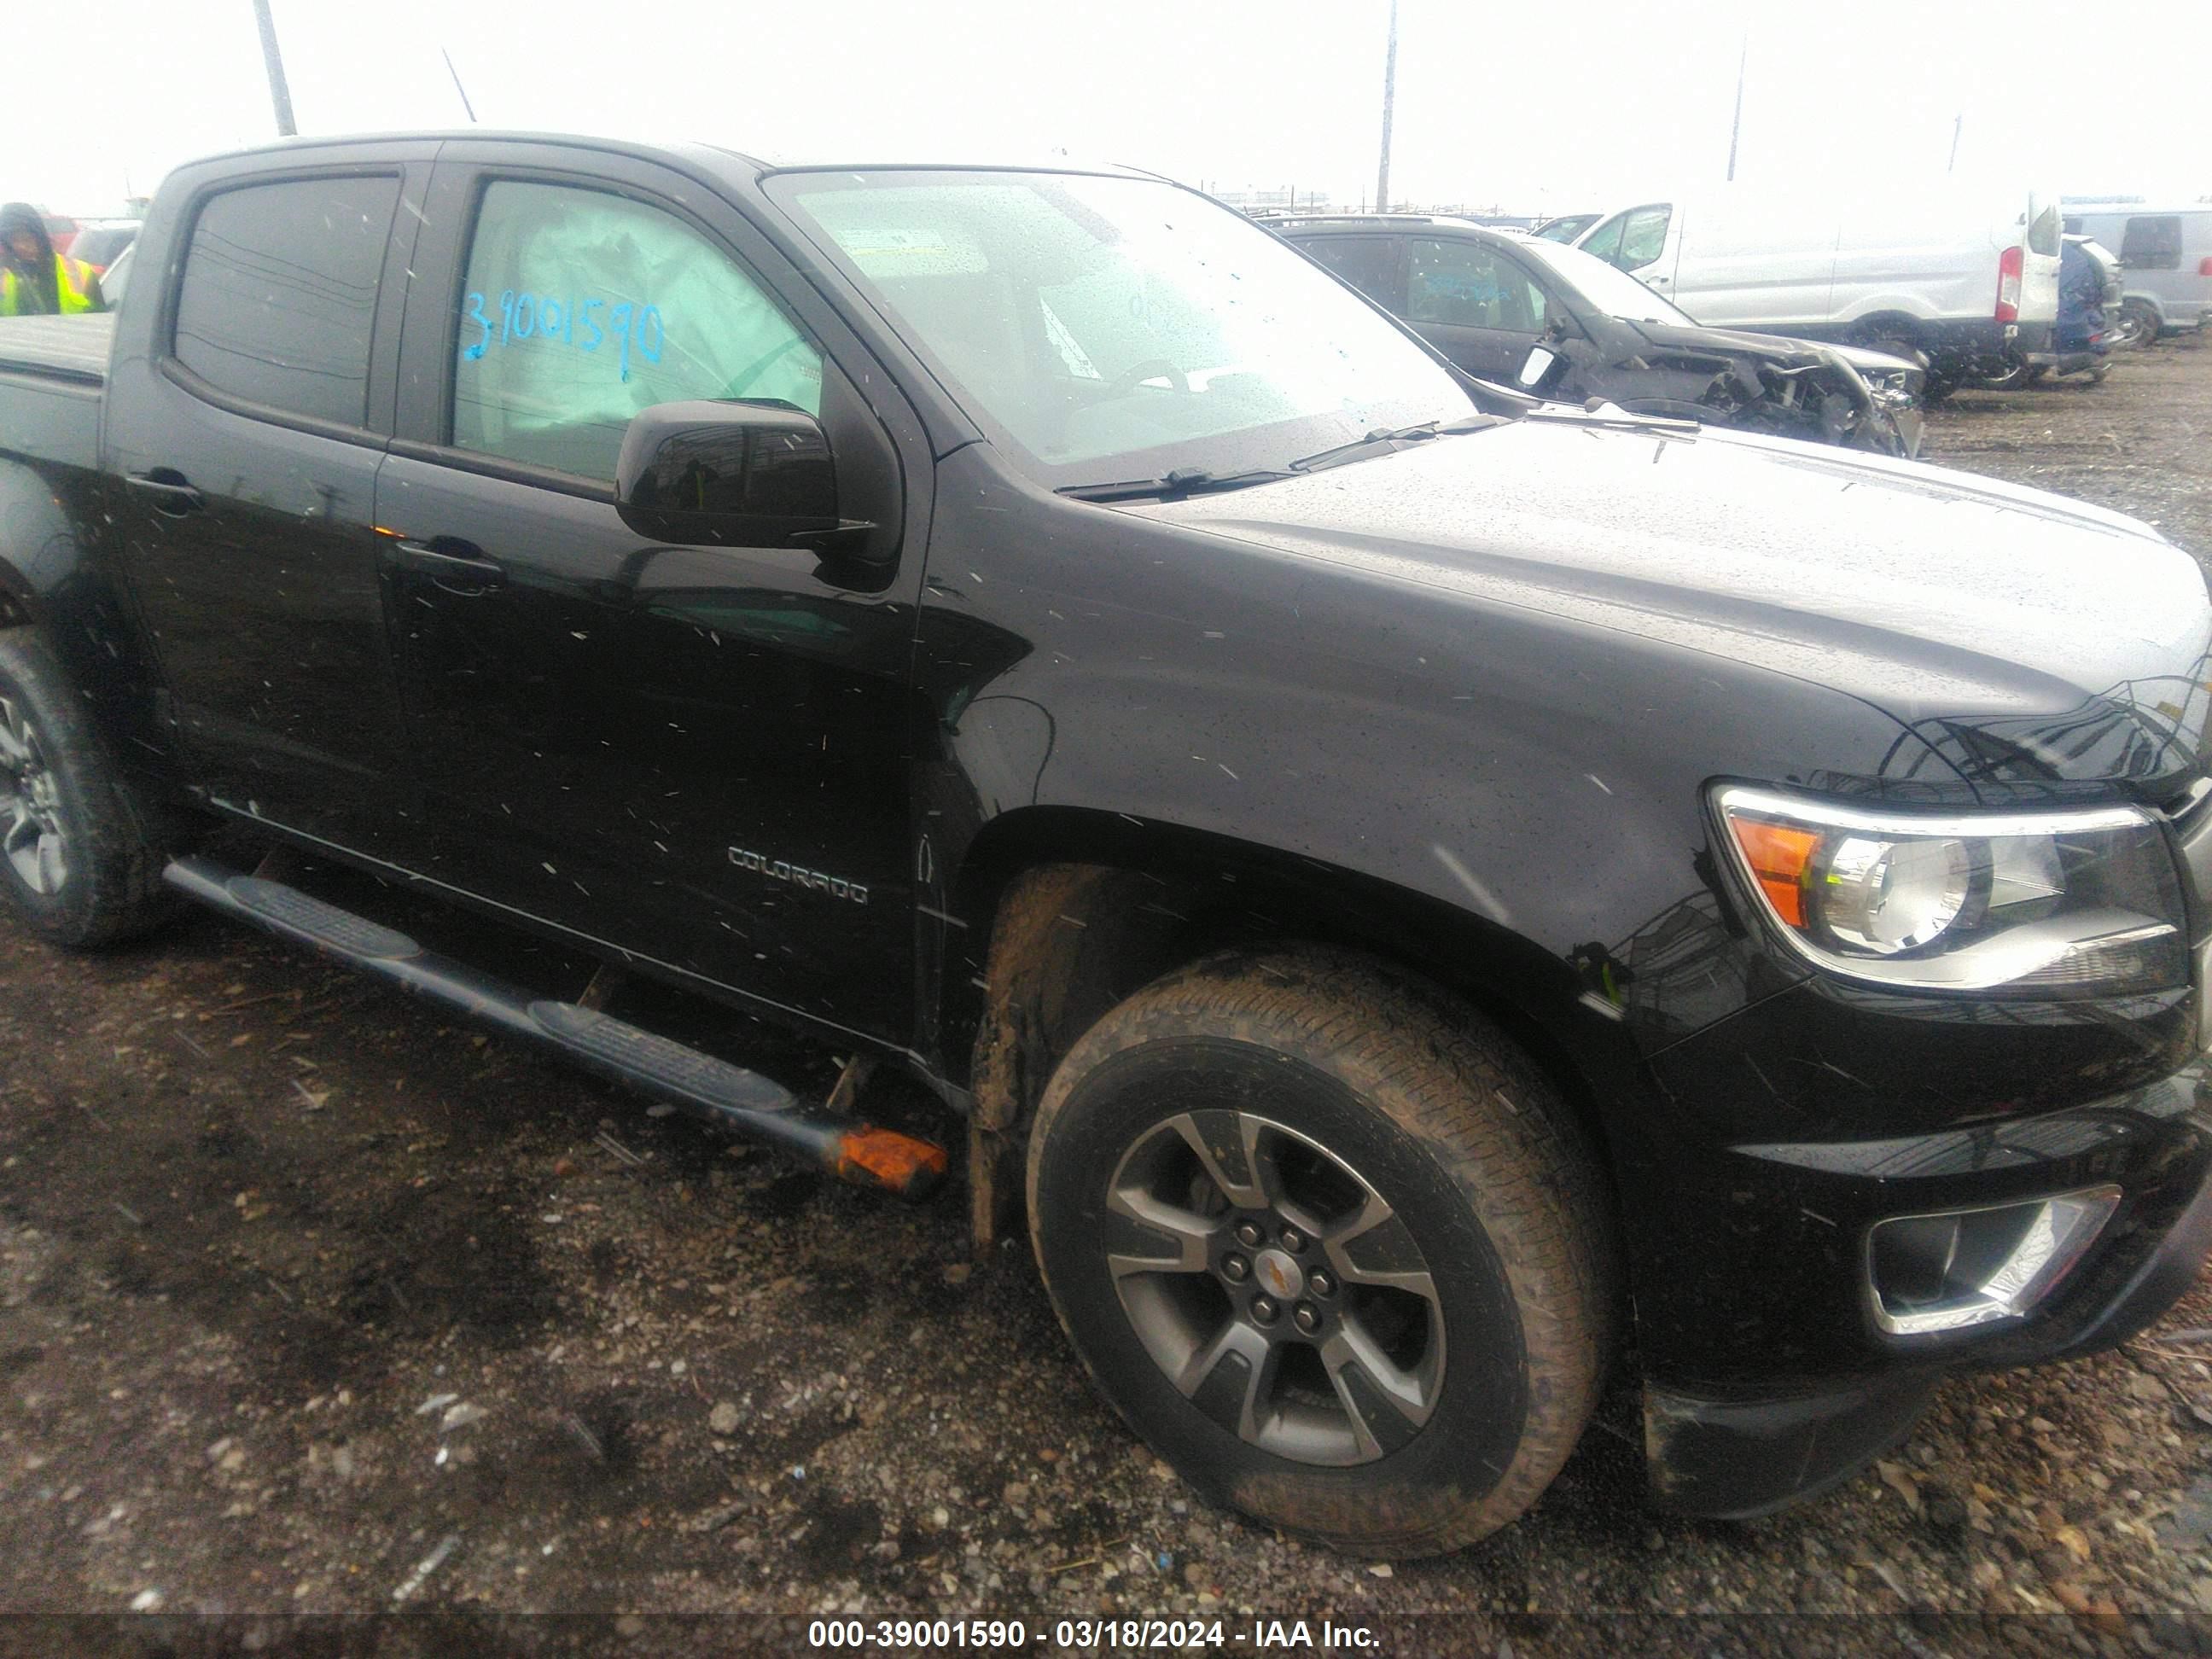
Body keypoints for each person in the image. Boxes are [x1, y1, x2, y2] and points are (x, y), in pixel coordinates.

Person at [0, 202, 105, 317]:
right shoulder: (3, 274)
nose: (21, 246)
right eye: (14, 240)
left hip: (71, 334)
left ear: (40, 236)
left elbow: (102, 321)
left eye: (27, 238)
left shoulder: (82, 272)